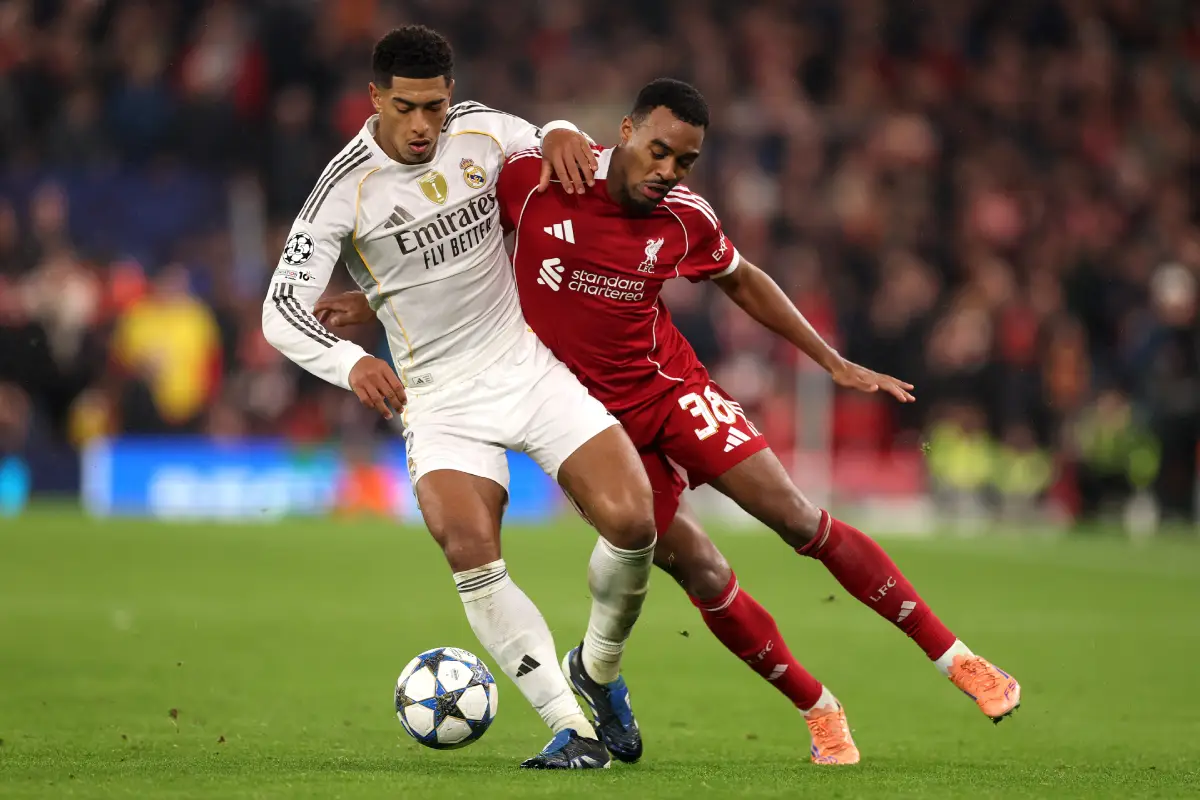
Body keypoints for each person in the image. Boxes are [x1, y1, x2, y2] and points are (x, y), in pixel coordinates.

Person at [315, 77, 1023, 766]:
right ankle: (818, 708)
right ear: (625, 131)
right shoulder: (539, 180)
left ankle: (957, 658)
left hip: (671, 389)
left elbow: (742, 279)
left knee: (797, 518)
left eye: (685, 161)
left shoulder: (686, 217)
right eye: (658, 150)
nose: (668, 171)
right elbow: (459, 259)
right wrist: (376, 302)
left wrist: (830, 361)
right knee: (704, 569)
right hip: (587, 423)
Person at [263, 26, 660, 770]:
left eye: (434, 107)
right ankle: (571, 728)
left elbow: (544, 139)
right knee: (467, 544)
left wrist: (563, 128)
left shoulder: (480, 129)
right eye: (405, 108)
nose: (423, 125)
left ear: (451, 96)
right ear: (374, 98)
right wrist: (351, 362)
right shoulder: (343, 188)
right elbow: (280, 310)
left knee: (636, 523)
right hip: (440, 399)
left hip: (525, 367)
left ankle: (598, 668)